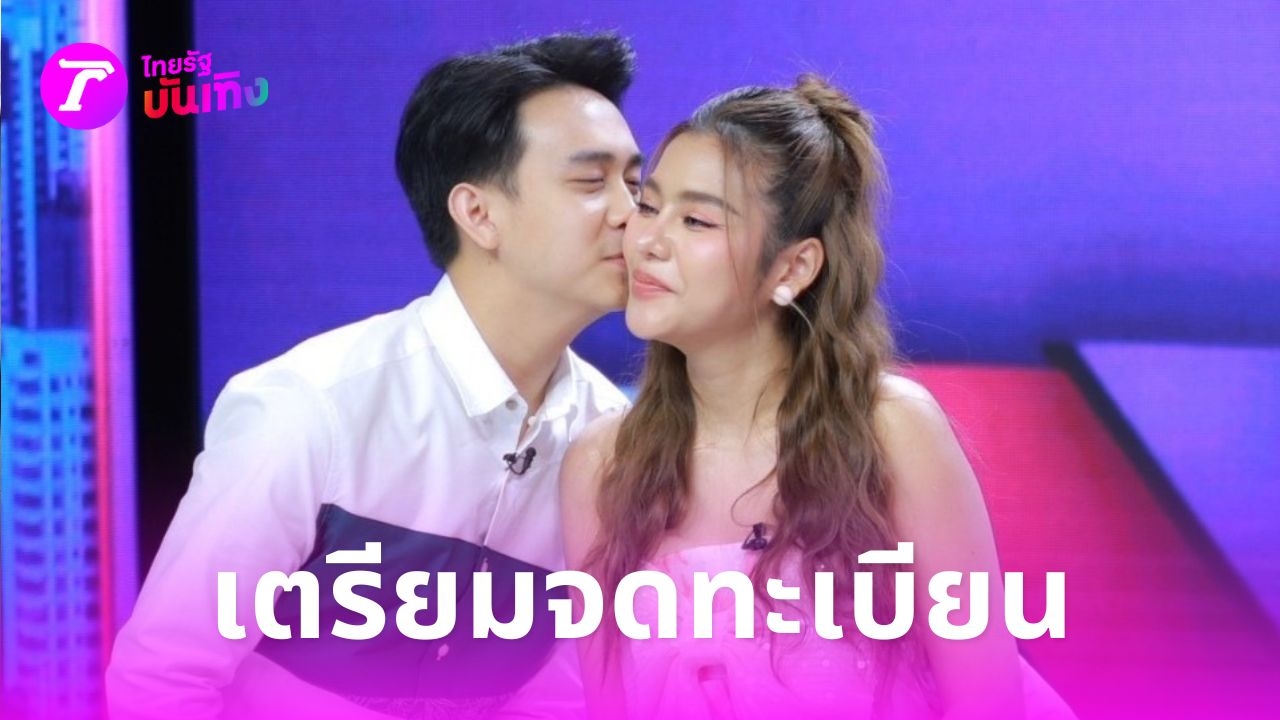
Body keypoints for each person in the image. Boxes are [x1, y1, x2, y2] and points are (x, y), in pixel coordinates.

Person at [107, 32, 642, 720]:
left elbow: (565, 692)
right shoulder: (312, 407)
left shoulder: (612, 443)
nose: (632, 215)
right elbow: (161, 681)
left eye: (635, 184)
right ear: (478, 214)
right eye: (592, 183)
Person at [560, 75, 1078, 720]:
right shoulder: (600, 466)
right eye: (648, 205)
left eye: (695, 220)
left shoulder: (890, 432)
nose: (646, 242)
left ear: (793, 268)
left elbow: (989, 703)